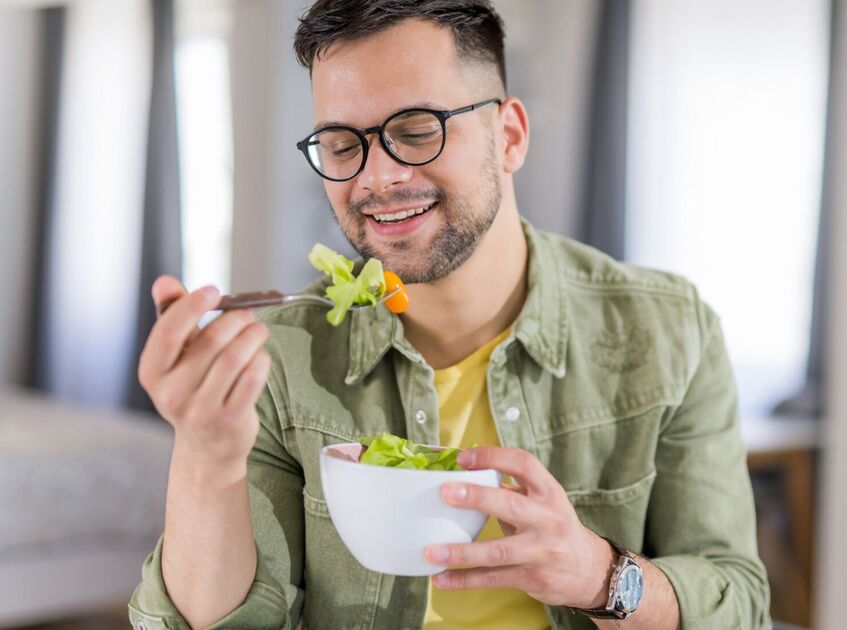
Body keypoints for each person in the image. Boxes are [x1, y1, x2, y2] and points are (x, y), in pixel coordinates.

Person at [129, 1, 768, 628]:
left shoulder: (669, 330)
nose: (375, 178)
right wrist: (207, 455)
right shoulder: (280, 356)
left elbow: (737, 602)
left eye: (415, 130)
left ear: (509, 136)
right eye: (343, 143)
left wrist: (600, 576)